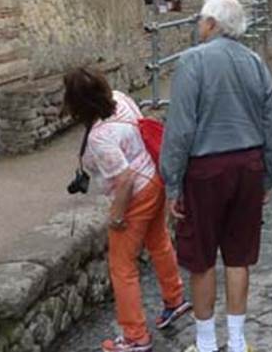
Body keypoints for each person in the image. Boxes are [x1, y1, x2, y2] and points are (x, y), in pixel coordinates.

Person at [161, 0, 272, 352]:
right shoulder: (256, 63)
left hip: (205, 170)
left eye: (201, 20)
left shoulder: (192, 62)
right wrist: (267, 177)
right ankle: (239, 342)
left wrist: (171, 182)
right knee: (239, 256)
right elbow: (269, 124)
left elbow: (180, 128)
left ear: (212, 24)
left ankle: (207, 344)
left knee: (201, 258)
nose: (198, 26)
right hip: (248, 166)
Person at [63, 67, 191, 352]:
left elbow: (125, 179)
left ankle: (135, 336)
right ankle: (175, 298)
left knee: (122, 267)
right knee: (158, 241)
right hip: (155, 177)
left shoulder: (99, 136)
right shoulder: (120, 98)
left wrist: (117, 216)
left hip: (137, 193)